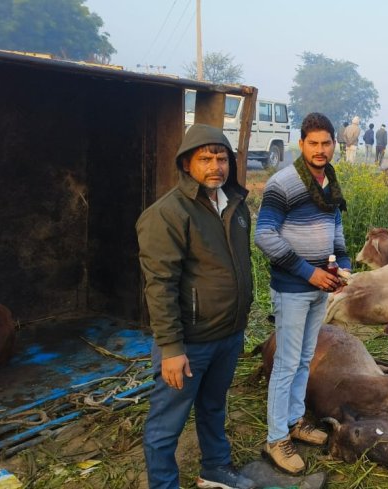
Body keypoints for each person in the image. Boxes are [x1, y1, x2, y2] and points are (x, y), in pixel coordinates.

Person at [136, 124, 255, 489]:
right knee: (165, 425)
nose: (215, 166)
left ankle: (214, 468)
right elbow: (160, 286)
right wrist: (171, 349)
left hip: (228, 334)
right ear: (187, 164)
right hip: (189, 342)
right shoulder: (168, 214)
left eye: (221, 158)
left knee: (214, 407)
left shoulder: (235, 206)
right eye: (205, 159)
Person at [255, 112, 351, 474]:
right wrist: (307, 272)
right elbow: (264, 235)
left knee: (304, 358)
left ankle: (295, 420)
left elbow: (335, 228)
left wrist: (343, 268)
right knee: (286, 362)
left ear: (333, 145)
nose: (320, 149)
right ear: (301, 144)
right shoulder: (284, 183)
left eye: (326, 143)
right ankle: (276, 437)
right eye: (313, 143)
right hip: (294, 286)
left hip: (320, 286)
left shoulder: (330, 182)